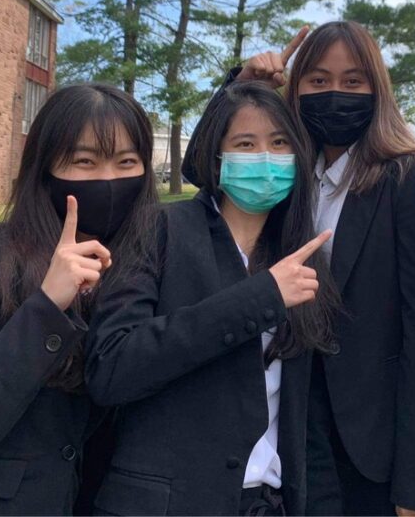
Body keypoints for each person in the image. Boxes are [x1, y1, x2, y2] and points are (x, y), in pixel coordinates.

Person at [0, 83, 159, 516]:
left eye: (126, 162)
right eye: (84, 162)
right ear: (44, 168)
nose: (108, 180)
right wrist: (46, 308)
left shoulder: (143, 270)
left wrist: (240, 91)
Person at [85, 81, 339, 516]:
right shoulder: (160, 230)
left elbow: (305, 419)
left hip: (265, 502)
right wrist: (258, 298)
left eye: (280, 143)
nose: (265, 158)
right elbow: (112, 367)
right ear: (218, 156)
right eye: (246, 143)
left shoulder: (301, 259)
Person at [239, 21, 415, 516]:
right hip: (287, 424)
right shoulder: (283, 178)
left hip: (371, 440)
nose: (335, 94)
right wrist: (245, 88)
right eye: (317, 80)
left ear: (376, 91)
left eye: (353, 82)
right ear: (296, 89)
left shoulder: (406, 179)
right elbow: (202, 172)